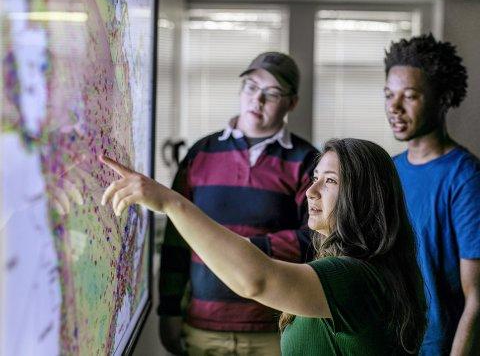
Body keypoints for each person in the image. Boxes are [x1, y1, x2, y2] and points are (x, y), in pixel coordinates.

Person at [99, 137, 427, 355]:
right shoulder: (362, 268)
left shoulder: (354, 276)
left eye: (329, 181)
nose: (310, 192)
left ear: (364, 197)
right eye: (314, 177)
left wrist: (172, 202)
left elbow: (256, 278)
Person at [157, 52, 317, 354]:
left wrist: (243, 248)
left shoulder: (306, 161)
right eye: (252, 87)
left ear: (291, 103)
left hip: (274, 330)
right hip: (204, 328)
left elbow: (315, 240)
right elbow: (176, 240)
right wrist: (168, 310)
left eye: (272, 94)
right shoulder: (200, 154)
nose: (257, 100)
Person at [384, 34, 480, 355]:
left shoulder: (465, 176)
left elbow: (477, 297)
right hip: (390, 342)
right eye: (388, 95)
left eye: (409, 96)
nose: (394, 107)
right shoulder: (389, 170)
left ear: (443, 98)